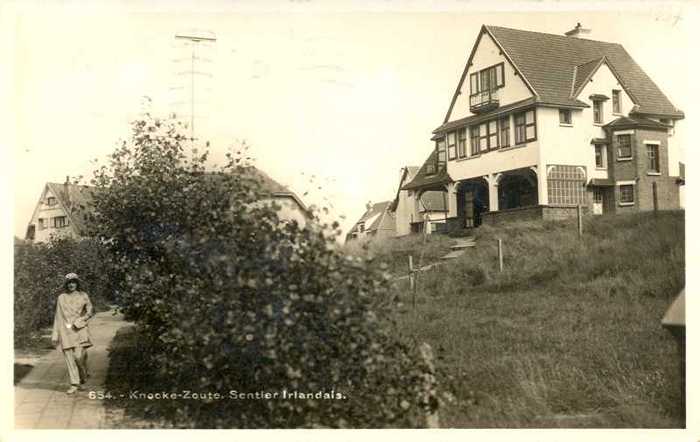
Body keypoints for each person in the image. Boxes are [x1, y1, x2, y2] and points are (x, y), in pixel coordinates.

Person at [51, 273, 94, 394]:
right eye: (69, 282)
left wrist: (82, 319)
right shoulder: (61, 297)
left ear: (77, 283)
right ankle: (74, 384)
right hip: (66, 331)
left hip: (79, 329)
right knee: (70, 358)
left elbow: (90, 310)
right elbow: (58, 316)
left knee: (78, 357)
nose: (71, 285)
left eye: (74, 282)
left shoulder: (83, 295)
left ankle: (83, 377)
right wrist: (55, 335)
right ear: (66, 284)